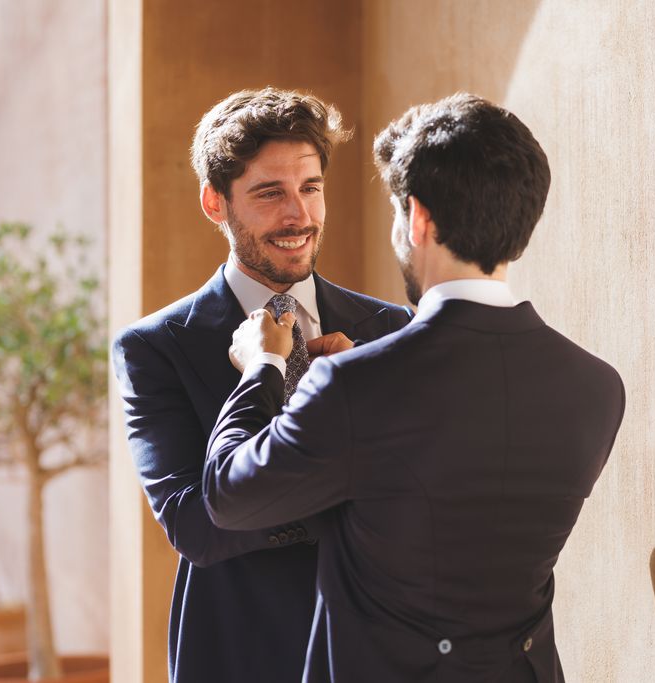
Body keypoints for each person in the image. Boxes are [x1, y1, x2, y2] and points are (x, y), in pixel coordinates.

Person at [204, 93, 626, 683]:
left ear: (418, 219)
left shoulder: (351, 383)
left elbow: (229, 495)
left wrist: (262, 369)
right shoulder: (598, 388)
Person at [111, 87, 410, 683]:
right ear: (215, 203)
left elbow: (416, 499)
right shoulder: (154, 348)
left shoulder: (389, 329)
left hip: (373, 652)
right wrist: (265, 376)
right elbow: (194, 525)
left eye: (310, 188)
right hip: (237, 653)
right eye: (270, 193)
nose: (298, 215)